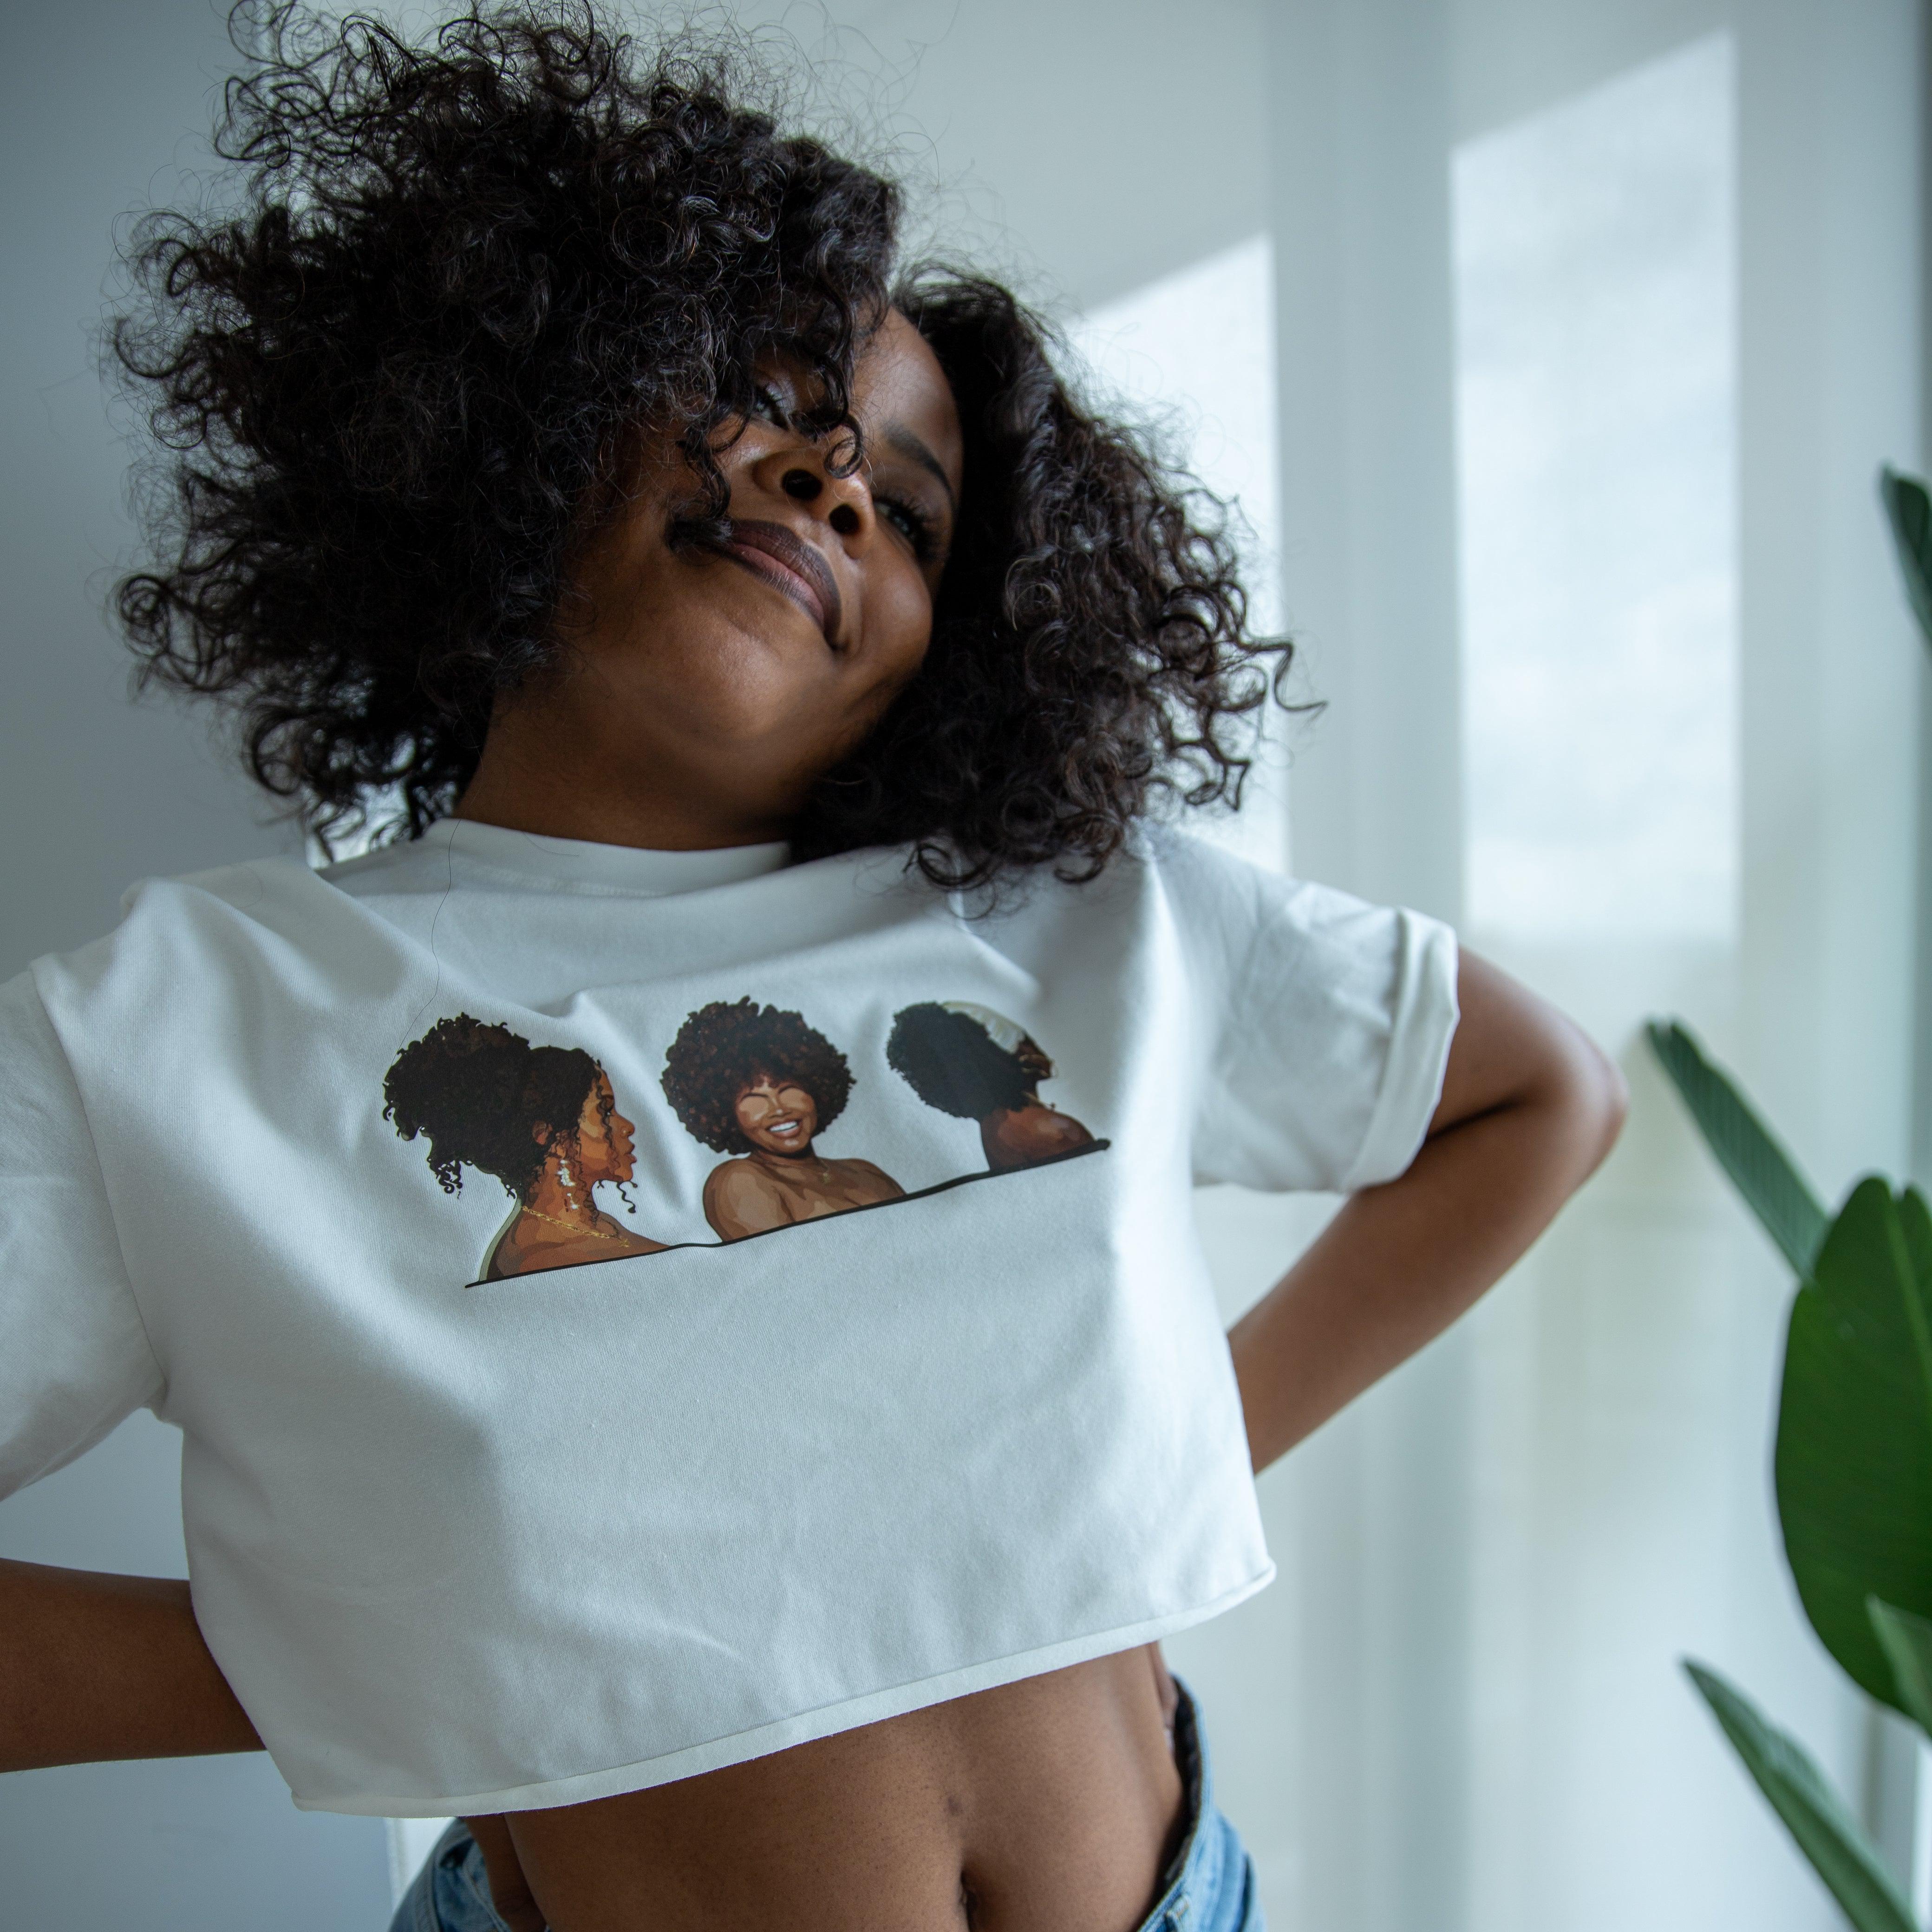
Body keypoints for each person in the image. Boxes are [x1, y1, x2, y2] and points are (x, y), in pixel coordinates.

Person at [0, 8, 1628, 1932]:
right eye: (762, 391)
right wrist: (347, 1634)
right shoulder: (180, 1025)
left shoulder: (1078, 915)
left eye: (912, 509)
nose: (839, 483)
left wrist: (1170, 1443)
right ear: (528, 404)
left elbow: (1540, 1093)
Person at [384, 1014, 668, 1279]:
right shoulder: (539, 1258)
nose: (627, 1126)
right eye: (605, 1111)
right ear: (546, 1134)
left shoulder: (592, 1225)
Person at [660, 997, 905, 1238]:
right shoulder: (740, 1181)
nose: (778, 1109)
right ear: (723, 1114)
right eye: (754, 1099)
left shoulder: (866, 1172)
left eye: (787, 1090)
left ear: (816, 1089)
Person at [887, 999, 1097, 1172]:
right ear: (1000, 1057)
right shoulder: (1052, 1131)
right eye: (1023, 1039)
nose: (1033, 1045)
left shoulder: (994, 1131)